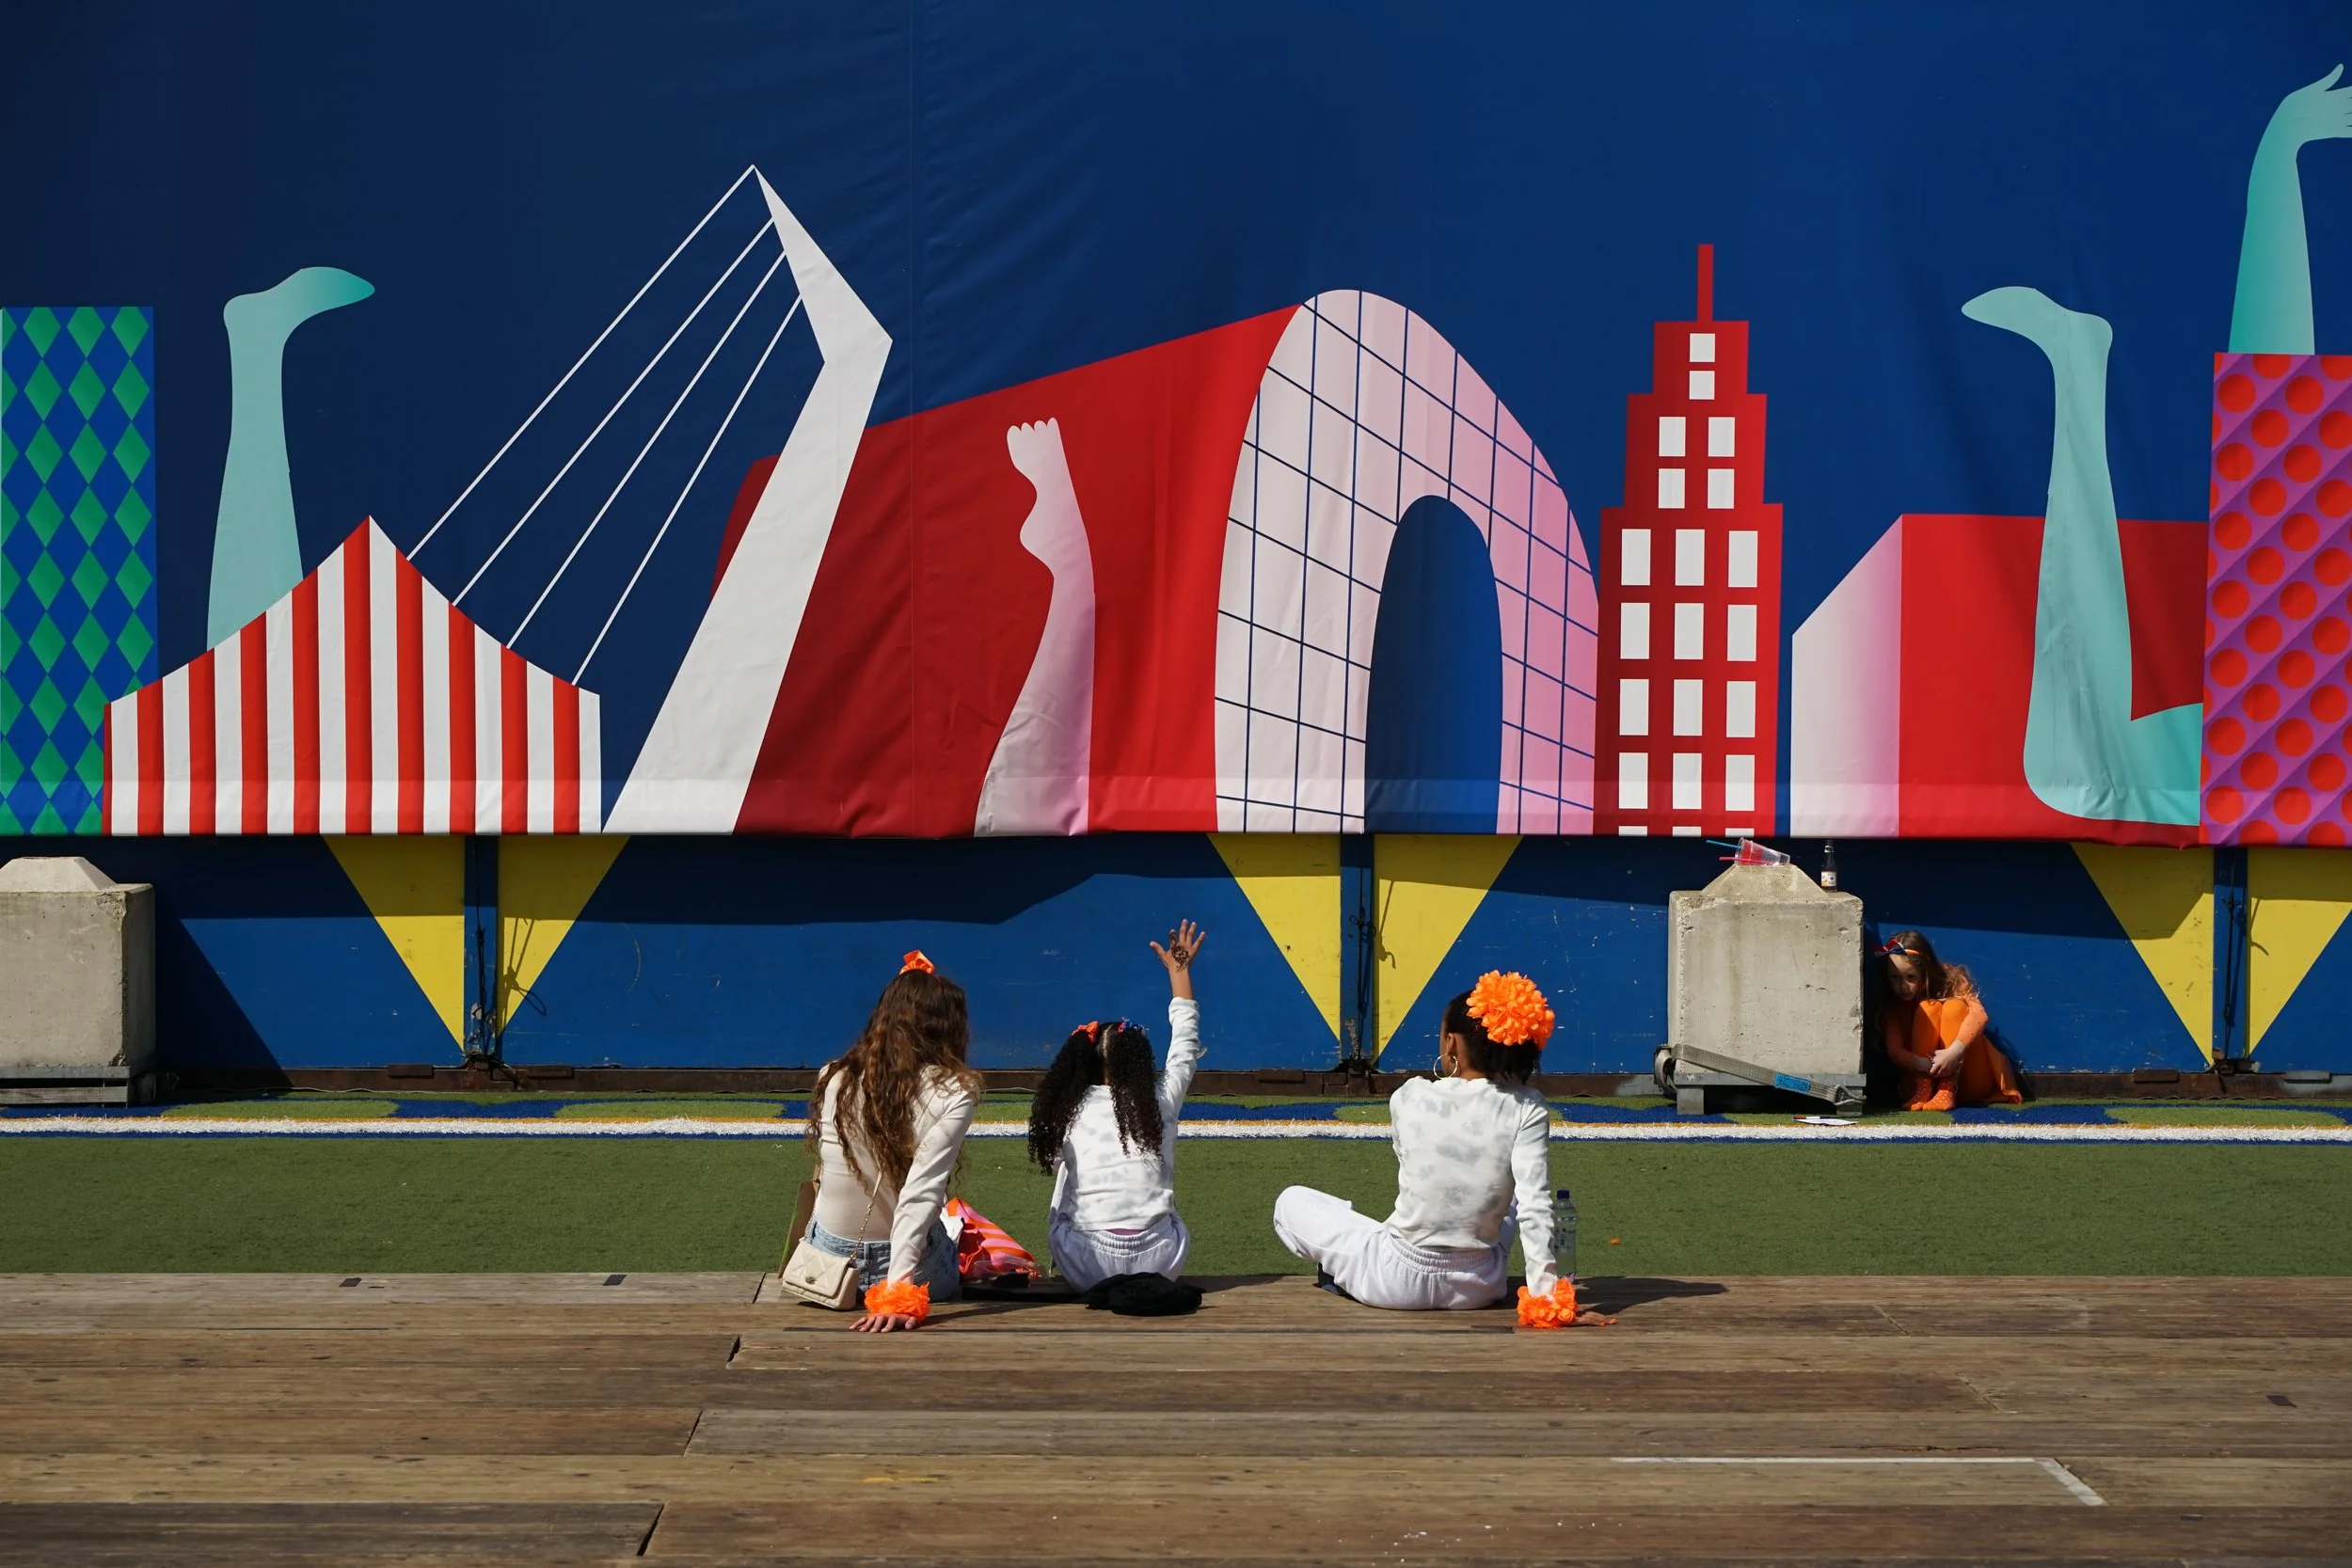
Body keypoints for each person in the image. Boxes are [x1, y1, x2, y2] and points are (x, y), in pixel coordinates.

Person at [1271, 970, 1587, 1326]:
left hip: (1394, 1281)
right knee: (1516, 1192)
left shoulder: (1408, 1095)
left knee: (1290, 1201)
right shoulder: (1528, 1106)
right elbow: (1534, 1208)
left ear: (1451, 1044)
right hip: (1480, 1286)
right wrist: (1547, 1304)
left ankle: (1344, 1267)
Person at [804, 951, 983, 1332]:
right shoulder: (956, 1090)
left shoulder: (832, 1075)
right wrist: (897, 1293)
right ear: (948, 1027)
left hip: (826, 1265)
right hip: (909, 1271)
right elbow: (920, 1193)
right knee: (952, 1222)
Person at [1027, 920, 1206, 1291]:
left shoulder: (1069, 1110)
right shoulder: (1161, 1099)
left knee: (1066, 1173)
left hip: (1085, 1265)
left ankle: (1059, 1267)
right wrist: (1180, 972)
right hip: (1161, 1261)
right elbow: (1185, 1046)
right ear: (1140, 1062)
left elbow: (1056, 1162)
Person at [1876, 931, 2024, 1111]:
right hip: (1918, 1082)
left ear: (1926, 972)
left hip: (1968, 1079)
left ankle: (1947, 1087)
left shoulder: (1951, 981)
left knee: (1955, 1006)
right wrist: (1923, 1064)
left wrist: (1953, 1053)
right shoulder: (1895, 1006)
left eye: (1911, 977)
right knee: (1927, 1007)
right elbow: (1895, 1051)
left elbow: (1979, 1015)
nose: (1902, 986)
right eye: (1895, 977)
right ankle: (1924, 1087)